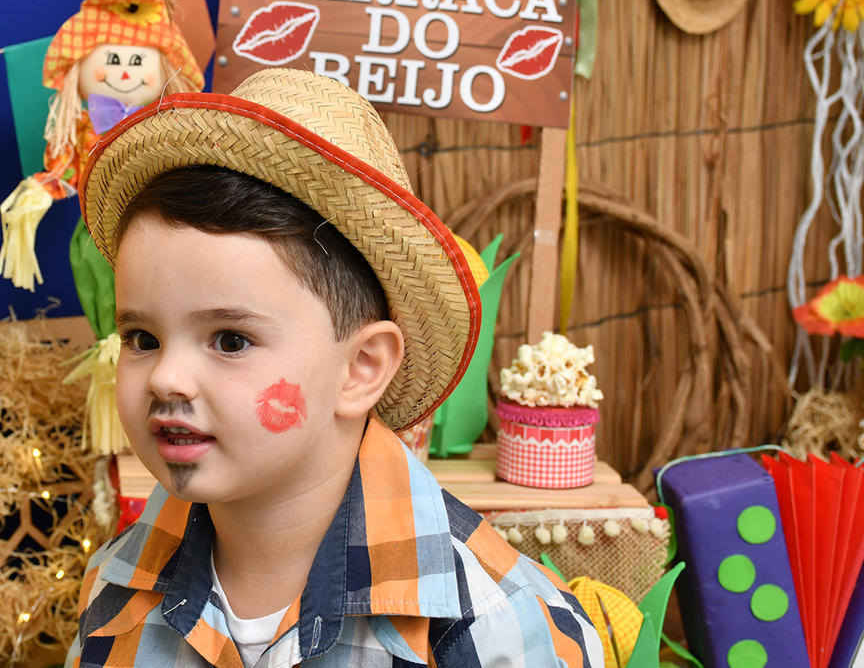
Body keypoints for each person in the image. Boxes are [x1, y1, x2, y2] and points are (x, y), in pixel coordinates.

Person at [63, 69, 602, 667]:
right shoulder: (113, 591)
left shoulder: (500, 629)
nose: (166, 378)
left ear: (361, 368)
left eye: (231, 340)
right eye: (142, 338)